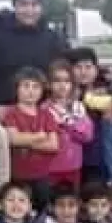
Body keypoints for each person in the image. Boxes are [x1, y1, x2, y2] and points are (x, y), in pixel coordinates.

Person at [1, 67, 58, 214]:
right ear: (17, 89)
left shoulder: (46, 115)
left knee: (41, 213)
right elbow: (13, 139)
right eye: (26, 86)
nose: (31, 91)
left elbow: (53, 145)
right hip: (18, 177)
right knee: (18, 212)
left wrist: (25, 139)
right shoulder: (11, 113)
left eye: (36, 87)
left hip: (41, 177)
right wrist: (39, 136)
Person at [43, 59, 94, 188]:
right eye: (57, 81)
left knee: (72, 202)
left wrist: (66, 126)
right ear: (49, 84)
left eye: (66, 81)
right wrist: (73, 128)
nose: (62, 85)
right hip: (51, 169)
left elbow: (87, 136)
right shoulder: (44, 109)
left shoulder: (79, 107)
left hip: (74, 166)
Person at [68, 46, 112, 184]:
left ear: (96, 69)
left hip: (99, 157)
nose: (83, 72)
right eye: (78, 67)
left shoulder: (106, 91)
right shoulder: (65, 93)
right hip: (73, 159)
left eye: (88, 67)